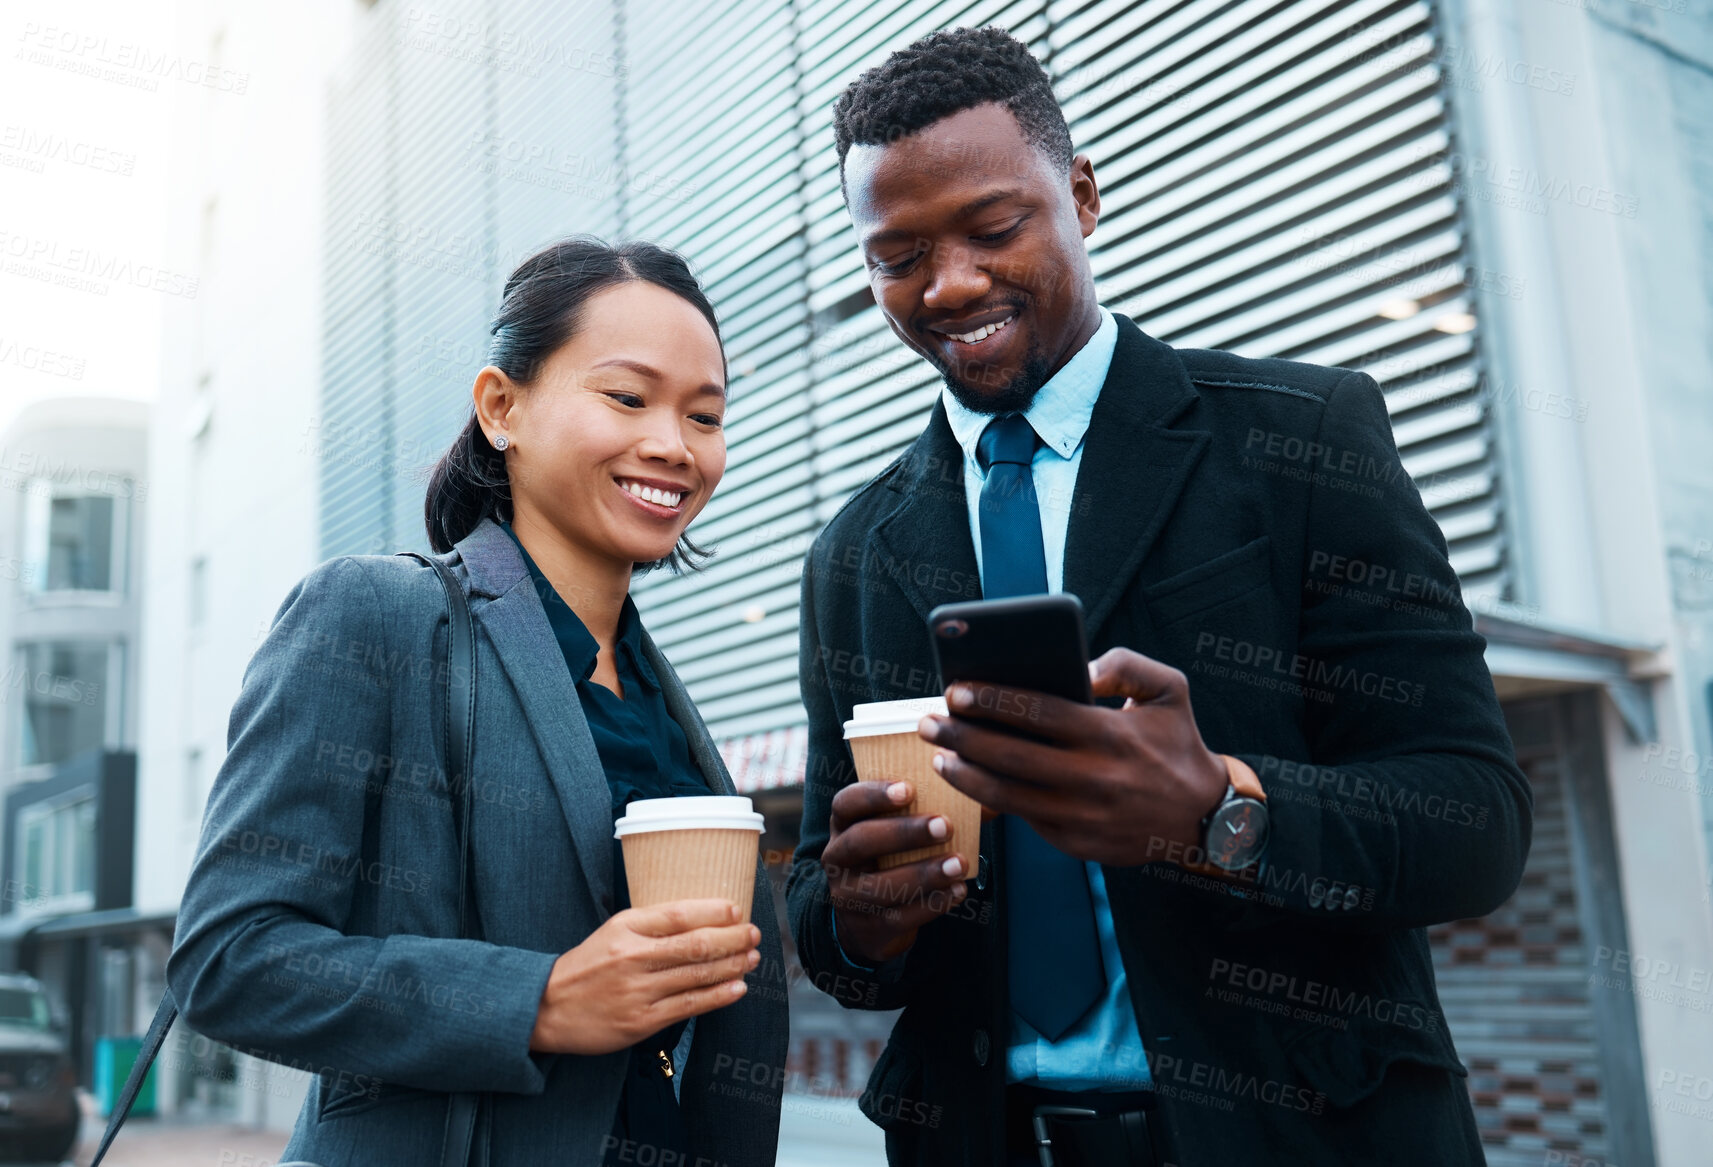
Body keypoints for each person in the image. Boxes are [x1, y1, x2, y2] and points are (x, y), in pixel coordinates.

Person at [787, 26, 1531, 1167]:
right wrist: (857, 921)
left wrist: (1221, 809)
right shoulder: (852, 554)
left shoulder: (1299, 442)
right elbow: (827, 916)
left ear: (1081, 195)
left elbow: (1475, 822)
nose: (950, 286)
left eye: (993, 229)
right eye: (896, 258)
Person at [169, 238, 787, 1166]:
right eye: (626, 397)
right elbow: (229, 958)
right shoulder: (373, 616)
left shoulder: (661, 693)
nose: (672, 442)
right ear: (502, 407)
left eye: (704, 415)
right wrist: (539, 1000)